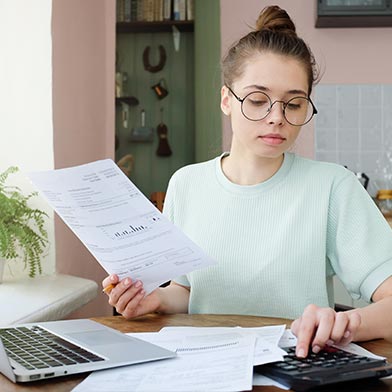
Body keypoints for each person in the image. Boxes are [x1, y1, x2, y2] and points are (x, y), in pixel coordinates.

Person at [103, 5, 392, 358]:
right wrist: (157, 299)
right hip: (205, 366)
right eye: (257, 100)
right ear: (226, 99)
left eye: (294, 104)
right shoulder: (186, 184)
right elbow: (192, 292)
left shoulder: (333, 187)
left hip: (297, 367)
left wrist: (345, 324)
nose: (276, 118)